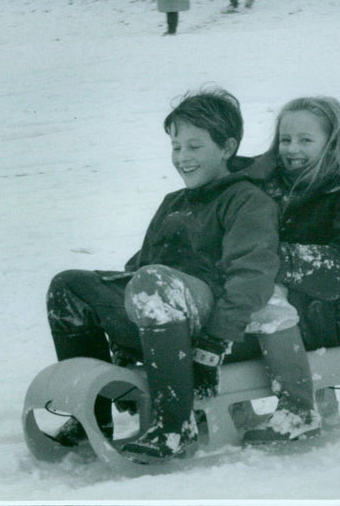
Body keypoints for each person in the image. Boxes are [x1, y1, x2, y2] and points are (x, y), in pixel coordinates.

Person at [45, 88, 280, 461]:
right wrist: (123, 330)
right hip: (161, 310)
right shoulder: (173, 203)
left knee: (154, 281)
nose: (182, 158)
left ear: (227, 147)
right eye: (176, 147)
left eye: (194, 146)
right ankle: (93, 414)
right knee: (68, 286)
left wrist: (214, 345)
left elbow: (252, 276)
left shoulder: (246, 200)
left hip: (212, 327)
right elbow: (139, 268)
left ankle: (176, 426)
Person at [232, 96, 340, 443]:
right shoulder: (269, 184)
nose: (292, 149)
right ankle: (224, 405)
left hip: (336, 309)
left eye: (306, 140)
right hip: (288, 300)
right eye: (286, 140)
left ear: (330, 143)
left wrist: (273, 259)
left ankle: (296, 410)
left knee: (259, 301)